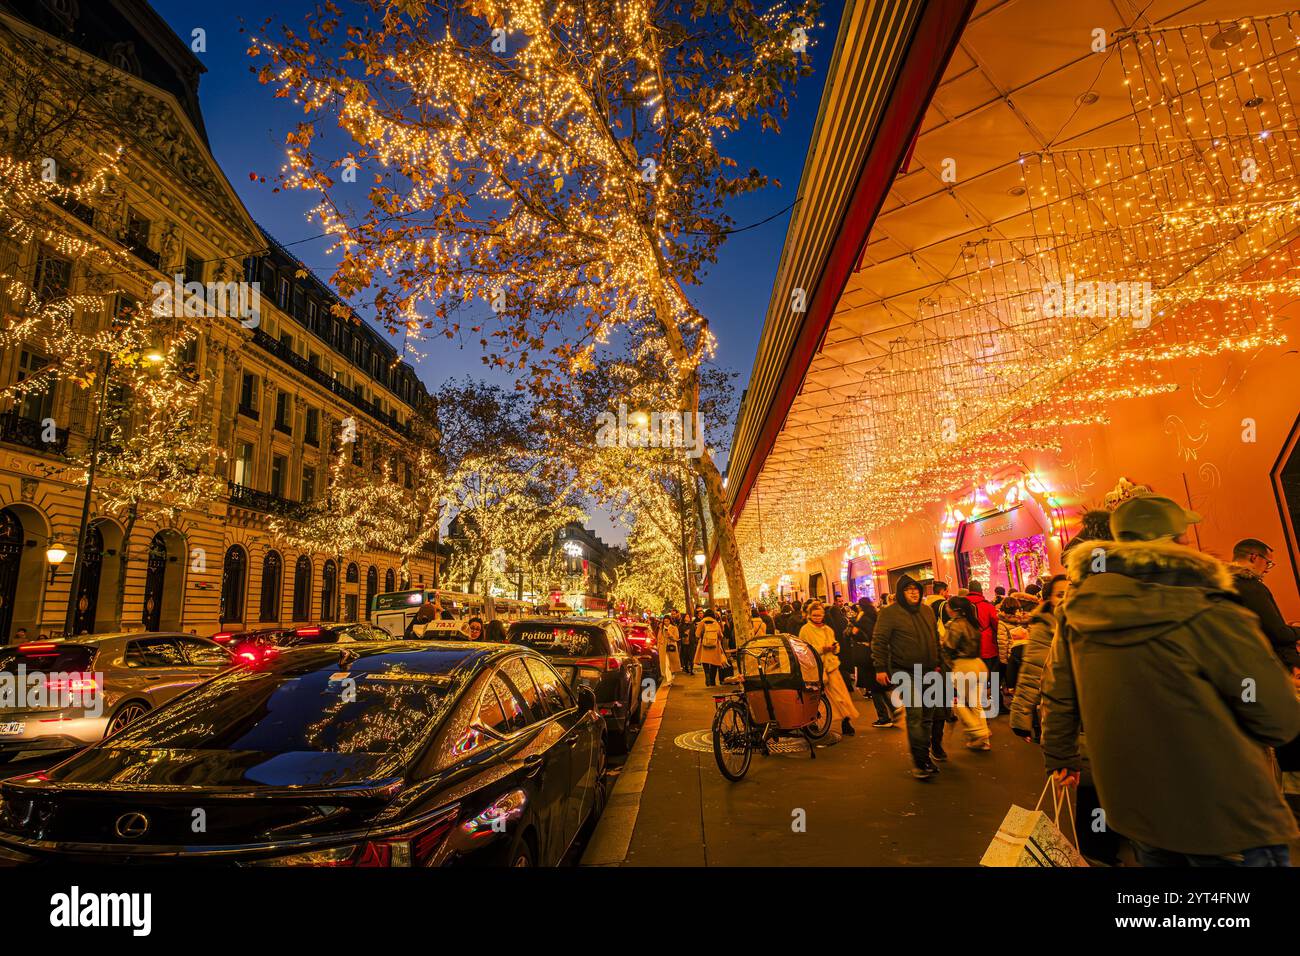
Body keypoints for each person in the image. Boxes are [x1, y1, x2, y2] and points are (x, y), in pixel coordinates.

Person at [1042, 494, 1300, 866]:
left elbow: (1058, 694)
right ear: (1176, 540)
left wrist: (1060, 755)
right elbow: (1278, 717)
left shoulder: (1076, 611)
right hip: (1228, 811)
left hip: (1136, 805)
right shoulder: (1210, 606)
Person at [872, 575, 946, 778]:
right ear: (901, 592)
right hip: (904, 671)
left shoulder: (927, 611)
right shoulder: (890, 613)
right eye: (908, 589)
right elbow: (879, 641)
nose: (913, 592)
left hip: (930, 671)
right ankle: (920, 761)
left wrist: (938, 663)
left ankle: (926, 754)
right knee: (915, 714)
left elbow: (935, 639)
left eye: (916, 588)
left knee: (928, 717)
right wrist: (880, 668)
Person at [1228, 538, 1300, 673]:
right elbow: (1278, 634)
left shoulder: (1224, 585)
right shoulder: (1250, 587)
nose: (1267, 569)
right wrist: (1297, 631)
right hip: (1276, 665)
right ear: (1254, 557)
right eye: (1268, 563)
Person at [1010, 575, 1067, 743]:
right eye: (1060, 595)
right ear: (1048, 599)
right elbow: (1032, 672)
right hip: (1061, 709)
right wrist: (1020, 718)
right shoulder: (1045, 626)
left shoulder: (1090, 619)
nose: (1067, 600)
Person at [940, 595, 991, 750]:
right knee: (976, 703)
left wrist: (941, 644)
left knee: (960, 703)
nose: (946, 609)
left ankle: (979, 731)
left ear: (955, 610)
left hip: (963, 666)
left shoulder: (956, 625)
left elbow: (949, 647)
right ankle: (983, 742)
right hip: (978, 664)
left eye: (948, 606)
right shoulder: (972, 622)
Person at [800, 600, 859, 736]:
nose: (817, 618)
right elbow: (805, 650)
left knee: (841, 696)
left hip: (831, 666)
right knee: (815, 699)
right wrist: (822, 649)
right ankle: (812, 723)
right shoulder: (805, 630)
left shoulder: (827, 629)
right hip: (815, 670)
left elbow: (836, 645)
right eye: (814, 615)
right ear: (809, 615)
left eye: (819, 615)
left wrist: (834, 647)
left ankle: (846, 721)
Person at [965, 580, 1000, 680]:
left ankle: (979, 694)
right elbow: (995, 623)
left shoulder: (963, 605)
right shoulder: (988, 605)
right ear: (981, 591)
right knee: (992, 674)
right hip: (987, 645)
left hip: (970, 645)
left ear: (969, 590)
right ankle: (994, 693)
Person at [694, 611, 727, 686]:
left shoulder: (702, 623)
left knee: (705, 662)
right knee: (714, 663)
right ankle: (712, 681)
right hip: (715, 646)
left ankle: (707, 675)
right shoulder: (715, 623)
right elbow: (720, 635)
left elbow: (697, 634)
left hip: (704, 645)